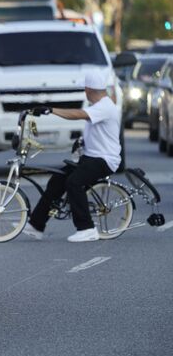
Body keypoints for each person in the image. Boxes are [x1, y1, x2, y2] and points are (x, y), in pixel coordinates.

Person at [23, 73, 121, 243]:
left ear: (88, 90)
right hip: (90, 157)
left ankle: (87, 228)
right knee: (57, 179)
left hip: (104, 160)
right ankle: (36, 225)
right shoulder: (99, 104)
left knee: (74, 182)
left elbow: (77, 114)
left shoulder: (105, 106)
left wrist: (50, 109)